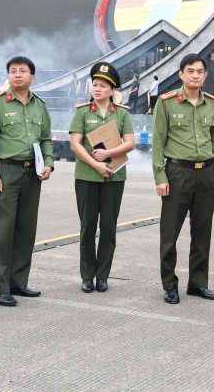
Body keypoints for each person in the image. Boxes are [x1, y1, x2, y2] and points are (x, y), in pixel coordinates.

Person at [0, 56, 54, 307]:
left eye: (23, 71)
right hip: (6, 172)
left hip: (32, 174)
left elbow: (46, 139)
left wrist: (49, 163)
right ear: (8, 76)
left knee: (25, 230)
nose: (18, 75)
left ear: (33, 77)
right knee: (2, 231)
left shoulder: (39, 106)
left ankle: (17, 282)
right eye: (13, 71)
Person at [152, 54, 214, 304]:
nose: (195, 75)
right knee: (170, 232)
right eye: (190, 71)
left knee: (202, 231)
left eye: (200, 71)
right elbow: (158, 143)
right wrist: (160, 177)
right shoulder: (166, 102)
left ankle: (198, 283)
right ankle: (170, 285)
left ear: (205, 76)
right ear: (181, 74)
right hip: (176, 173)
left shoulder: (213, 104)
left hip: (206, 173)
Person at [70, 62, 135, 293]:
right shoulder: (82, 112)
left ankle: (103, 275)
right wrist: (96, 164)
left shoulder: (122, 114)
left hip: (114, 178)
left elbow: (130, 143)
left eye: (103, 86)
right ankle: (87, 275)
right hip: (87, 176)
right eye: (95, 84)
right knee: (87, 227)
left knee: (109, 227)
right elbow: (75, 144)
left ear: (112, 90)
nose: (97, 89)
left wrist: (108, 154)